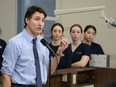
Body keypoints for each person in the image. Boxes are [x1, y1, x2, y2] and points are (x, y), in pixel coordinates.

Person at [1, 5, 68, 87]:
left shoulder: (43, 43)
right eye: (37, 19)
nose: (41, 24)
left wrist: (58, 53)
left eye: (43, 20)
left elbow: (50, 71)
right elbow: (6, 74)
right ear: (27, 20)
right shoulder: (15, 43)